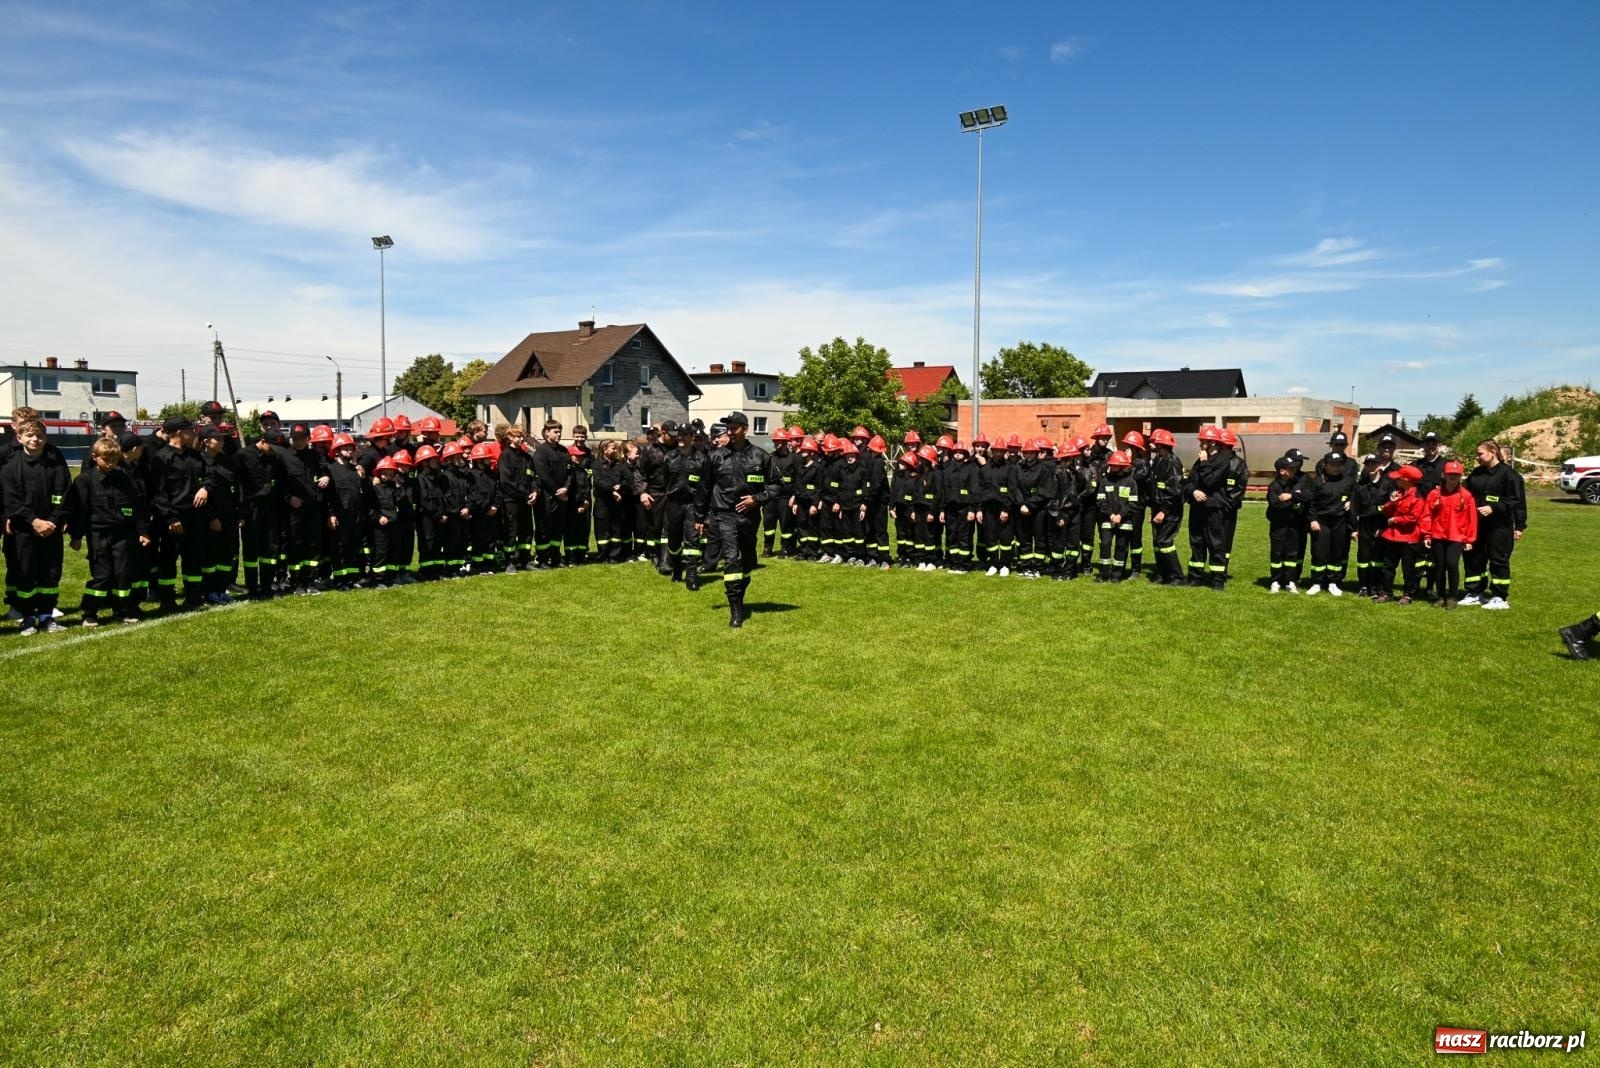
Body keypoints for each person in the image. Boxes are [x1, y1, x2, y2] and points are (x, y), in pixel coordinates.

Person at [694, 412, 775, 628]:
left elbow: (777, 485)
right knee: (731, 558)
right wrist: (699, 517)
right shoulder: (716, 456)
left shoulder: (760, 456)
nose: (730, 429)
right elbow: (704, 488)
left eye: (735, 426)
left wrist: (757, 499)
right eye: (728, 426)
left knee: (748, 560)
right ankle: (735, 610)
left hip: (749, 516)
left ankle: (740, 593)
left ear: (745, 428)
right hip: (724, 514)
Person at [68, 436, 151, 626]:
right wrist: (76, 536)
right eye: (106, 459)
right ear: (95, 457)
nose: (110, 464)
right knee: (102, 575)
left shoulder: (124, 477)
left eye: (114, 460)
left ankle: (122, 609)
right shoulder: (85, 480)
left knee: (123, 573)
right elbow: (80, 510)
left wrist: (143, 531)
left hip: (123, 534)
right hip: (98, 535)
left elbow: (137, 505)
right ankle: (90, 611)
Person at [1, 419, 72, 633]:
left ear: (46, 437)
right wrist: (34, 521)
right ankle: (27, 618)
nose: (35, 439)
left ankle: (46, 616)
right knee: (26, 573)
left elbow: (64, 494)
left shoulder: (56, 465)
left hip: (52, 529)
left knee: (50, 574)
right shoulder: (10, 469)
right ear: (19, 437)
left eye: (39, 435)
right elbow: (12, 502)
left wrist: (54, 520)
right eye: (29, 435)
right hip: (25, 531)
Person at [1461, 439, 1521, 610]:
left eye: (1480, 453)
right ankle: (1474, 593)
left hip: (1499, 526)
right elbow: (1465, 492)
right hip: (1477, 525)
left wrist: (1494, 508)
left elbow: (1516, 501)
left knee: (1498, 560)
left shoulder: (1509, 475)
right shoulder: (1477, 473)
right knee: (1474, 558)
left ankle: (1500, 597)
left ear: (1492, 452)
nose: (1477, 457)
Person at [1422, 459, 1476, 608]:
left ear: (1461, 476)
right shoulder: (1434, 494)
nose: (1453, 477)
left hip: (1456, 536)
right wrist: (1427, 534)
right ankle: (1440, 596)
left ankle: (1452, 596)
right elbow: (1427, 515)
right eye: (1450, 474)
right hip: (1437, 535)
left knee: (1452, 565)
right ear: (1443, 474)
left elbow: (1471, 519)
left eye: (1456, 474)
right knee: (1439, 566)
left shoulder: (1466, 495)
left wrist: (1469, 539)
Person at [1304, 451, 1355, 596]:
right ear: (1325, 465)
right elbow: (1310, 503)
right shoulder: (1317, 482)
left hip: (1340, 521)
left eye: (1339, 465)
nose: (1336, 467)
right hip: (1321, 522)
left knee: (1337, 553)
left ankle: (1333, 583)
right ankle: (1316, 583)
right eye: (1333, 465)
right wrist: (1312, 519)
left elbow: (1355, 495)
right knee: (1319, 553)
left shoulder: (1348, 481)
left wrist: (1352, 501)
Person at [1375, 464, 1426, 604]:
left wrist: (1395, 519)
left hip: (1408, 538)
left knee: (1408, 568)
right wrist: (1391, 503)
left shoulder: (1417, 498)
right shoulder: (1399, 493)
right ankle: (1386, 592)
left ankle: (1408, 594)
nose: (1395, 480)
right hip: (1392, 536)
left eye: (1398, 478)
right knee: (1388, 566)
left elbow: (1413, 518)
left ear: (1406, 480)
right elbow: (1386, 511)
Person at [1095, 449, 1142, 582]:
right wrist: (1111, 515)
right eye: (1110, 464)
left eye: (1114, 465)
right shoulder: (1105, 481)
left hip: (1125, 521)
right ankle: (1104, 575)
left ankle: (1116, 575)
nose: (1111, 467)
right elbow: (1100, 501)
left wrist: (1120, 516)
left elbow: (1133, 504)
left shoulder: (1131, 482)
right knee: (1105, 545)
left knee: (1121, 548)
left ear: (1122, 467)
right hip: (1107, 520)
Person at [1264, 456, 1309, 593]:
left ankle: (1290, 581)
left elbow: (1307, 497)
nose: (1295, 469)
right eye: (1291, 468)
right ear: (1282, 471)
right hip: (1278, 526)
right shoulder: (1274, 487)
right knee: (1277, 553)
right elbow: (1276, 505)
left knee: (1292, 554)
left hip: (1294, 525)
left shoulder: (1296, 483)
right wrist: (1295, 500)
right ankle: (1276, 581)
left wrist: (1291, 497)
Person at [530, 420, 569, 569]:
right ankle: (543, 559)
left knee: (557, 529)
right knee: (544, 528)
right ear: (547, 432)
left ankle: (555, 557)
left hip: (562, 496)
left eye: (560, 431)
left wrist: (566, 488)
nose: (559, 434)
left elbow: (570, 472)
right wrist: (557, 491)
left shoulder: (564, 451)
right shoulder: (541, 451)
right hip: (546, 496)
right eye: (555, 431)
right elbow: (543, 475)